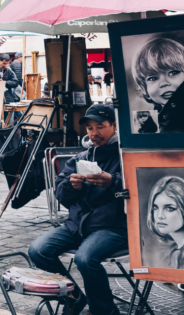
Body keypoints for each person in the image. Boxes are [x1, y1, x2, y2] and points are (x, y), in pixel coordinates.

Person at [28, 104, 127, 315]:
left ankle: (105, 311)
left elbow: (140, 189)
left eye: (100, 126)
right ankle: (74, 297)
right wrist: (71, 186)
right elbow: (61, 195)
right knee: (37, 250)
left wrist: (114, 182)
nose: (94, 133)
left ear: (114, 126)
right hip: (78, 225)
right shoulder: (81, 157)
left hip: (113, 227)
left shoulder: (125, 156)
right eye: (90, 128)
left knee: (85, 258)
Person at [133, 37, 184, 133]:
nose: (164, 83)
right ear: (144, 88)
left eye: (173, 73)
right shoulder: (161, 113)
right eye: (153, 78)